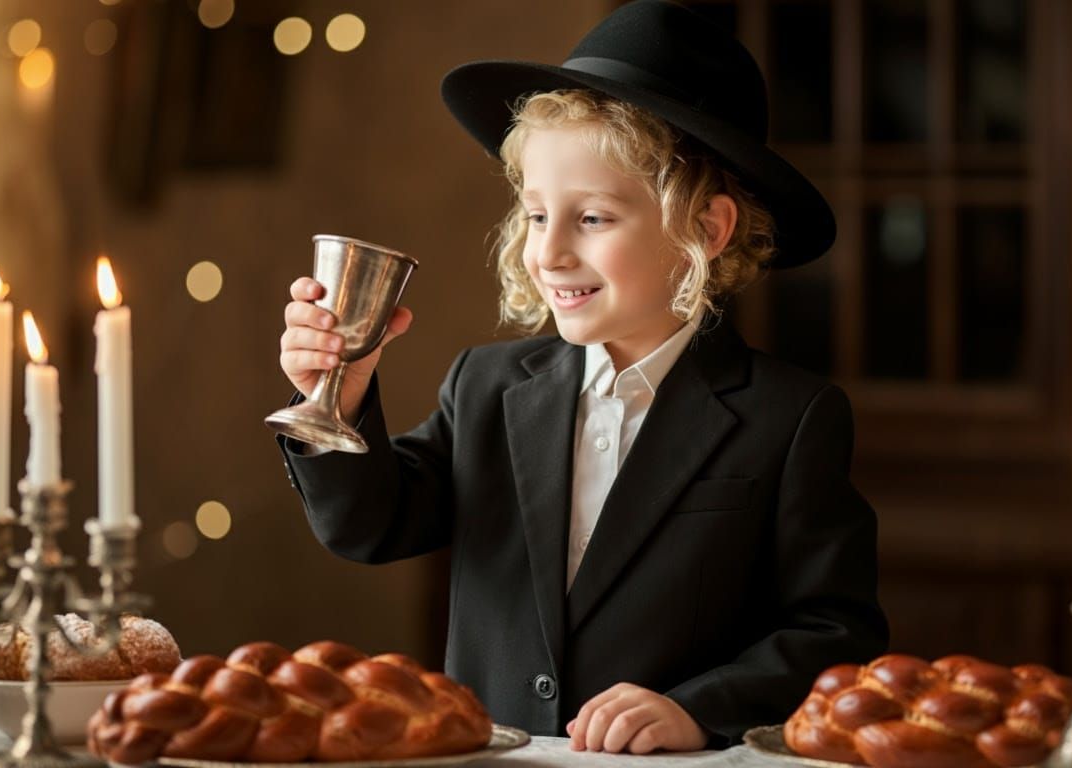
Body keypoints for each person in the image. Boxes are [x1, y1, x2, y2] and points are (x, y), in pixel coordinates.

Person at [276, 0, 887, 753]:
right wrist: (338, 391)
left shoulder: (789, 417)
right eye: (536, 216)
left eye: (592, 218)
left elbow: (836, 631)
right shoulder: (488, 385)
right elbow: (369, 526)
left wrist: (698, 707)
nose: (551, 252)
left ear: (706, 229)